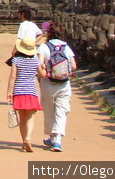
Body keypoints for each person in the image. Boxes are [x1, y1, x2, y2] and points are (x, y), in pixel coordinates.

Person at [38, 22, 77, 152]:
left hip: (48, 83)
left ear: (48, 34)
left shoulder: (44, 47)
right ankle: (57, 140)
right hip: (64, 83)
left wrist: (44, 73)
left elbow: (40, 64)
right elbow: (74, 66)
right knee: (62, 111)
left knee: (49, 111)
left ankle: (52, 137)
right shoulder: (66, 47)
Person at [7, 35, 46, 152]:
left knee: (22, 118)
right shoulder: (35, 60)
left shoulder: (16, 60)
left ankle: (24, 140)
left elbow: (12, 77)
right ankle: (28, 138)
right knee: (30, 117)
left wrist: (9, 92)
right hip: (31, 92)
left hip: (18, 92)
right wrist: (43, 68)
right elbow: (42, 75)